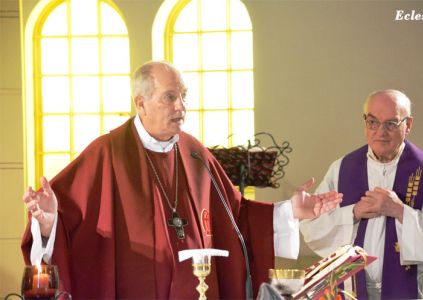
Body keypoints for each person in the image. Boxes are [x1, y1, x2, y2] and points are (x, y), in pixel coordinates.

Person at [22, 61, 342, 299]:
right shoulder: (106, 154)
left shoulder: (194, 153)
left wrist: (290, 212)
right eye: (169, 97)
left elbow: (236, 217)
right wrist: (49, 222)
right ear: (140, 103)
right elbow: (66, 224)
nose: (181, 107)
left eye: (184, 97)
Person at [300, 89, 423, 299]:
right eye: (373, 122)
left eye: (391, 123)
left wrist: (401, 212)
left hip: (411, 290)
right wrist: (353, 212)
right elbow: (312, 228)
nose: (380, 132)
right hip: (349, 289)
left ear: (408, 125)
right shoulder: (342, 168)